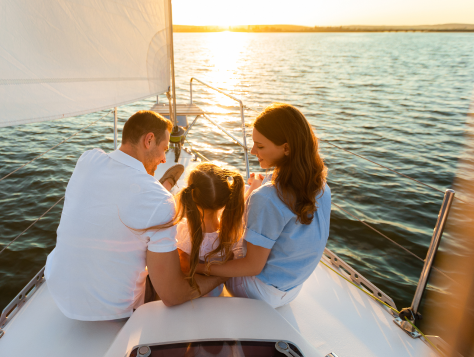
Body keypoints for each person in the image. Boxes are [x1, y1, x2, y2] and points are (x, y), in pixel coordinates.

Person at [45, 110, 225, 321]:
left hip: (58, 288)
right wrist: (220, 275)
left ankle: (164, 185)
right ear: (148, 140)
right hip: (115, 309)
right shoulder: (160, 202)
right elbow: (172, 295)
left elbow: (116, 188)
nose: (163, 159)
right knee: (172, 262)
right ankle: (164, 187)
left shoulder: (88, 159)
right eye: (164, 149)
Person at [197, 103, 331, 308]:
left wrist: (202, 268)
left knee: (210, 235)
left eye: (260, 146)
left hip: (258, 292)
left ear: (286, 148)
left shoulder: (267, 198)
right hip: (291, 289)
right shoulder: (320, 184)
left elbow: (252, 266)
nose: (252, 151)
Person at [146, 163, 245, 297]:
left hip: (188, 295)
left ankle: (165, 189)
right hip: (215, 294)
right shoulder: (232, 232)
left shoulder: (183, 230)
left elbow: (180, 266)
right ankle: (165, 187)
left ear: (191, 195)